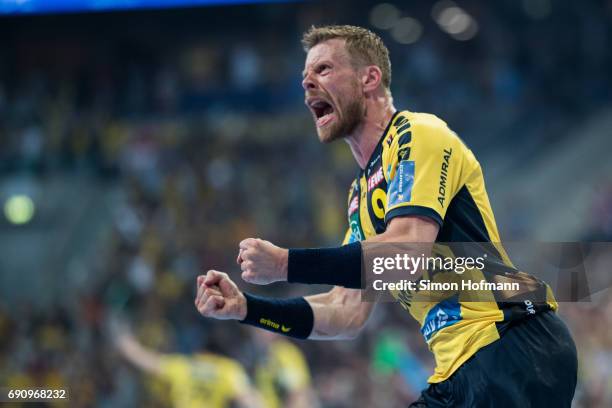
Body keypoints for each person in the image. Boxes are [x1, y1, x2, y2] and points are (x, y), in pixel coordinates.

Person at [195, 25, 577, 407]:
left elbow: (406, 255)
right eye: (305, 76)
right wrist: (248, 308)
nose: (307, 82)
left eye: (323, 69)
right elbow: (345, 312)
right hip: (462, 370)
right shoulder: (359, 197)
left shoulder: (418, 133)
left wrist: (285, 264)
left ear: (369, 79)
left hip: (511, 344)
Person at [108, 316, 261, 408]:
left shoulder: (184, 366)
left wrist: (126, 343)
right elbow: (249, 399)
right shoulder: (228, 370)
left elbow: (149, 362)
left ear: (200, 351)